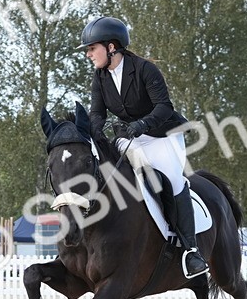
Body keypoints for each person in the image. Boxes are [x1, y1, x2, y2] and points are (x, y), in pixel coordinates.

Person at [81, 16, 208, 279]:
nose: (89, 54)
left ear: (112, 47)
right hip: (130, 136)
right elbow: (97, 113)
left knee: (172, 181)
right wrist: (93, 134)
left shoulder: (145, 70)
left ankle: (191, 251)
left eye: (92, 48)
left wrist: (141, 125)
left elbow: (164, 107)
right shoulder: (100, 77)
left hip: (162, 134)